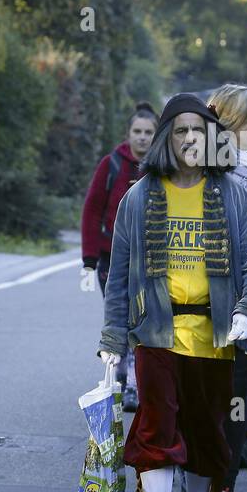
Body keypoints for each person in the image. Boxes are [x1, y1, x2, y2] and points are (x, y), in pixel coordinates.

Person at [98, 93, 247, 492]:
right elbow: (119, 276)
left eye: (198, 130)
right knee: (156, 425)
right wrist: (113, 338)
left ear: (213, 136)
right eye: (180, 131)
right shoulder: (140, 196)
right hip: (156, 333)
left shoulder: (231, 194)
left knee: (204, 430)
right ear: (165, 139)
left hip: (215, 335)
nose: (190, 138)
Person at [205, 84, 247, 492]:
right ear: (228, 122)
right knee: (198, 395)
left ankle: (223, 486)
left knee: (235, 398)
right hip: (197, 300)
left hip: (245, 301)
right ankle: (192, 476)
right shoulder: (196, 165)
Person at [81, 102, 157, 407]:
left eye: (148, 132)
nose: (142, 138)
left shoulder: (163, 166)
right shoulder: (111, 164)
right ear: (128, 134)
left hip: (150, 257)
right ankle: (125, 377)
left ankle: (137, 382)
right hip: (112, 257)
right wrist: (89, 258)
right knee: (120, 317)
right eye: (137, 132)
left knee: (143, 317)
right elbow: (92, 210)